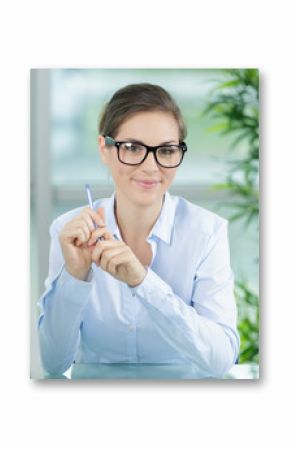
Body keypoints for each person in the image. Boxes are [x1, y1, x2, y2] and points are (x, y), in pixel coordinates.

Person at [37, 82, 240, 378]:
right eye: (132, 148)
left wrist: (142, 282)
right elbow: (53, 363)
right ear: (104, 148)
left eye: (167, 150)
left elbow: (221, 358)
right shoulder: (70, 232)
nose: (150, 166)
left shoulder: (206, 232)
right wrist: (75, 277)